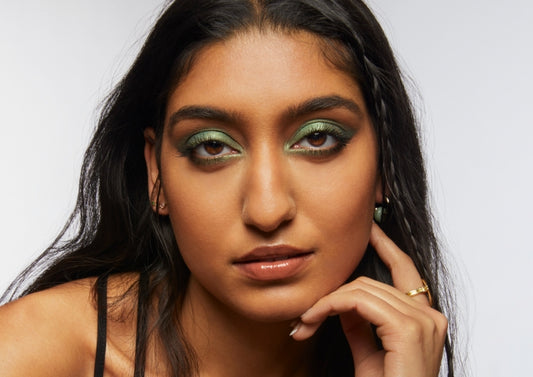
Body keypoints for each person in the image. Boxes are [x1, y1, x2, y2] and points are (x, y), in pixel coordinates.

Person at [0, 0, 458, 376]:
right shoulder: (31, 356)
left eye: (317, 138)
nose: (267, 209)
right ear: (155, 174)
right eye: (213, 147)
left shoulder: (393, 364)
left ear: (384, 167)